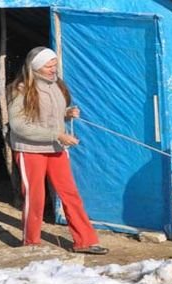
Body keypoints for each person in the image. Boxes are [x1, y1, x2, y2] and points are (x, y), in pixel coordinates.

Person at [7, 46, 108, 255]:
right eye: (48, 65)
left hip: (55, 148)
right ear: (35, 67)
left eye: (54, 63)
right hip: (30, 150)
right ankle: (31, 242)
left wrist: (66, 113)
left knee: (69, 192)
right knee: (35, 196)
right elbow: (19, 126)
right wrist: (56, 135)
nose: (53, 68)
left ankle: (85, 241)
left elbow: (48, 115)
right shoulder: (21, 89)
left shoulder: (57, 86)